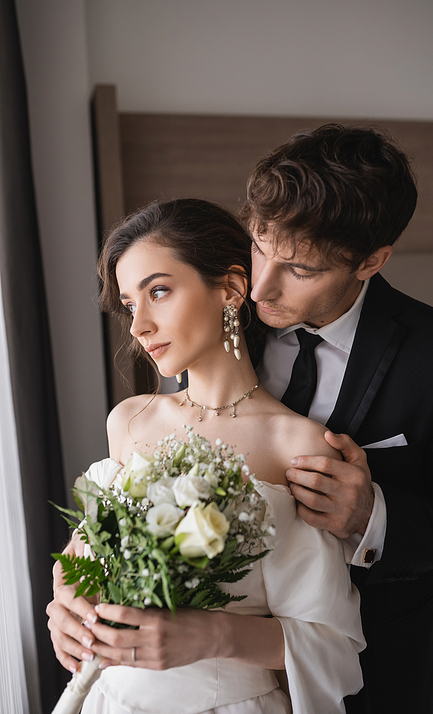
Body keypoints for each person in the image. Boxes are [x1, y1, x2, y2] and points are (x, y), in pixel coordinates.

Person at [47, 198, 365, 714]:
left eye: (159, 291)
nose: (138, 326)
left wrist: (214, 635)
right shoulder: (128, 421)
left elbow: (330, 645)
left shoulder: (298, 446)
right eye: (131, 304)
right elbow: (90, 555)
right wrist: (65, 602)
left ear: (231, 289)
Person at [238, 123, 433, 713]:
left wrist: (372, 516)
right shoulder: (218, 307)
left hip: (373, 663)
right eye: (258, 245)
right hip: (222, 656)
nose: (260, 289)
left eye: (301, 270)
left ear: (371, 261)